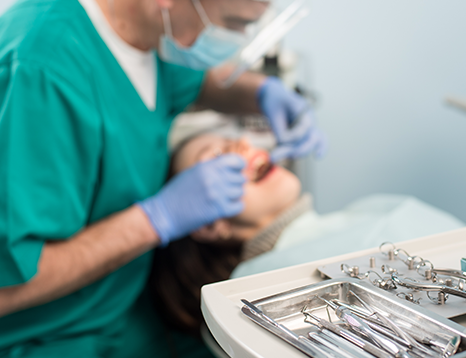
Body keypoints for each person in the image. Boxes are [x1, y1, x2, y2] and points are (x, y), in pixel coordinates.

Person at [0, 0, 326, 358]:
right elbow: (7, 287)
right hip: (39, 339)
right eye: (233, 25)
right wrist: (159, 218)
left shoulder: (143, 21)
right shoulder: (44, 71)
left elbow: (189, 77)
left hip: (125, 311)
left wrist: (260, 93)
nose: (237, 41)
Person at [150, 132, 465, 335]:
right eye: (217, 159)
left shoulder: (369, 206)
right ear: (207, 225)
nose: (243, 145)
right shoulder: (250, 286)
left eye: (233, 138)